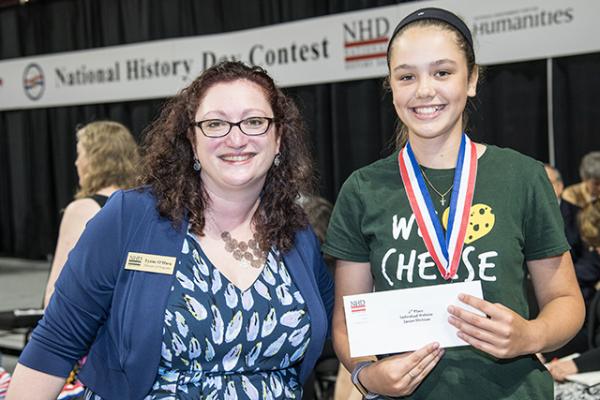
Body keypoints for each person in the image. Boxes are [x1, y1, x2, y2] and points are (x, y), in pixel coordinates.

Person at [7, 61, 334, 399]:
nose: (236, 138)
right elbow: (56, 343)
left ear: (278, 138)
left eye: (254, 122)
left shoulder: (297, 232)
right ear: (192, 140)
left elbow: (337, 333)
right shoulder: (130, 218)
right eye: (215, 123)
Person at [323, 7, 584, 399]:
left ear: (472, 79)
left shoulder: (521, 176)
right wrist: (365, 374)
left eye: (442, 72)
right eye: (406, 76)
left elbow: (565, 301)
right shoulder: (363, 189)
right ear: (390, 86)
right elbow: (346, 322)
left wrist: (531, 334)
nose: (424, 90)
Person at [44, 120, 140, 307]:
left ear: (95, 160)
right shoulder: (146, 204)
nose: (76, 162)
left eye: (80, 154)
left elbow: (57, 292)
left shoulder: (83, 210)